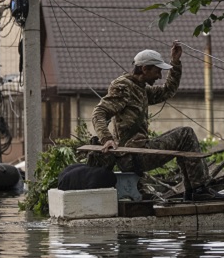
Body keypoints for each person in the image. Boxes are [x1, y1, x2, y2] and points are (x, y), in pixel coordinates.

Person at [91, 41, 217, 199]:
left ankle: (193, 191)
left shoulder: (140, 88)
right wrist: (106, 139)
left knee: (184, 139)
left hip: (138, 153)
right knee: (186, 134)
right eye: (157, 71)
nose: (159, 76)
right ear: (144, 69)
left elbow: (167, 91)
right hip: (133, 156)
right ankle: (199, 189)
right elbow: (99, 112)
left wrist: (175, 62)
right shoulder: (124, 87)